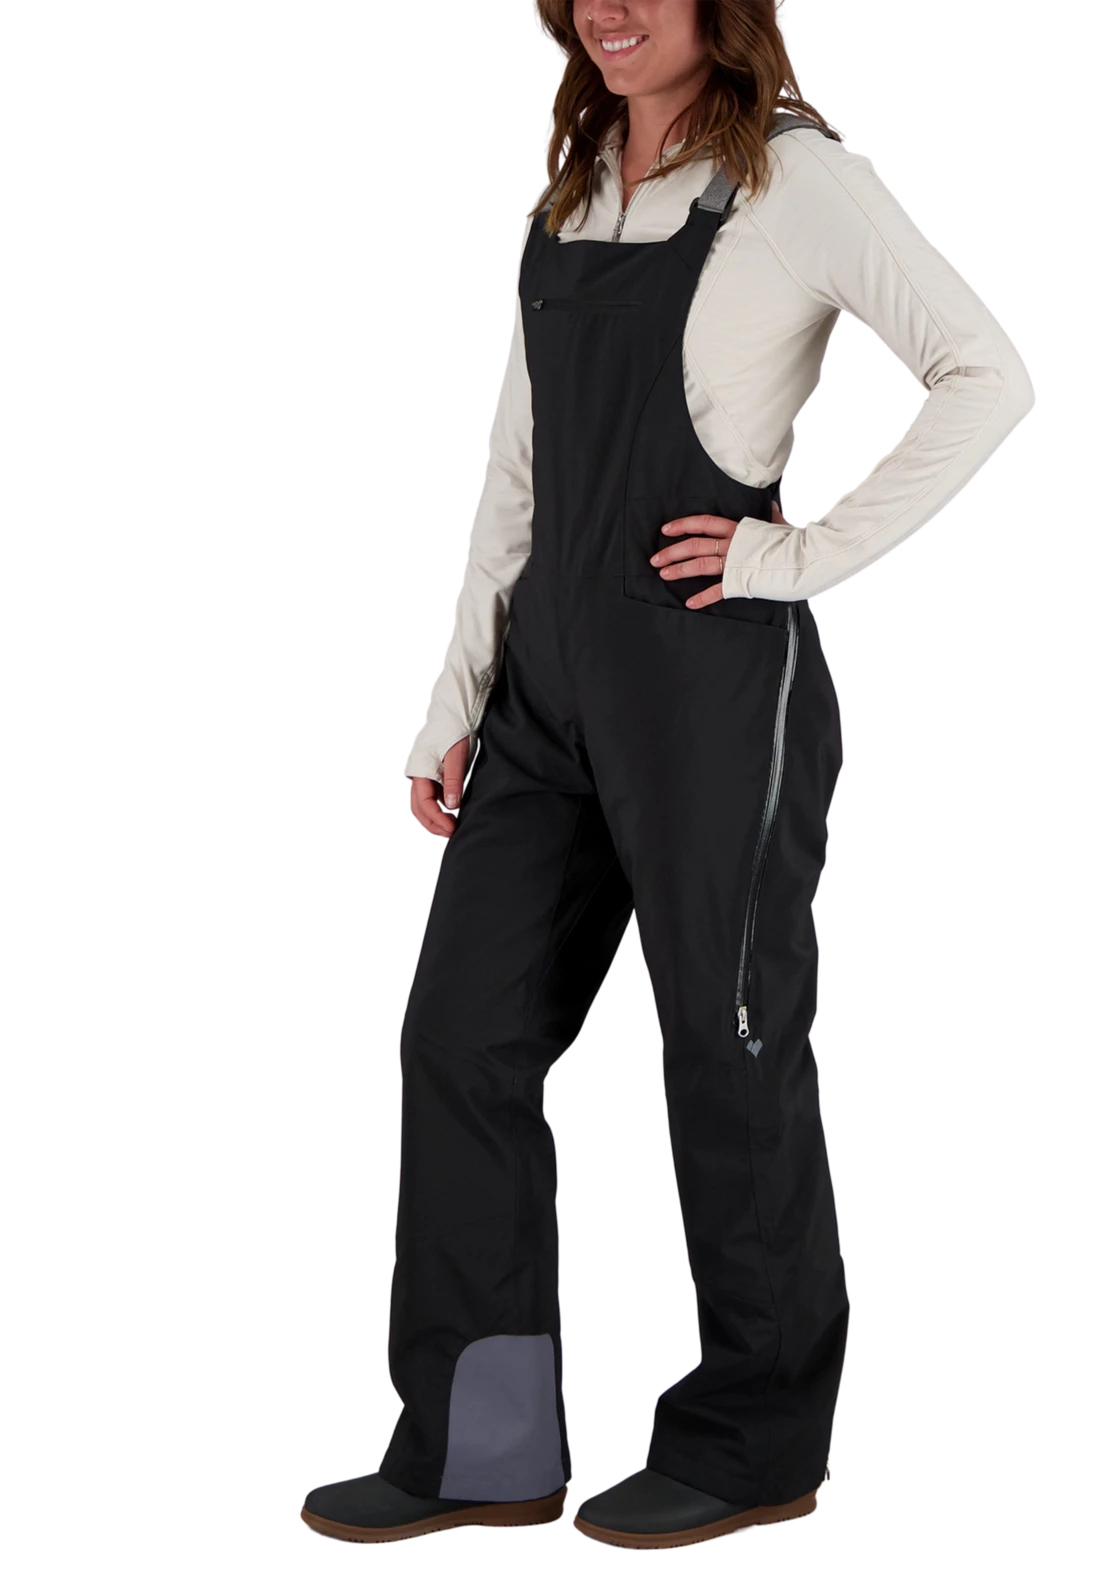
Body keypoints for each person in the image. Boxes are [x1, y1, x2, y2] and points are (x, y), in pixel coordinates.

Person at [301, 0, 1036, 1551]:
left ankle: (755, 1440)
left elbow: (987, 373)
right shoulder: (565, 194)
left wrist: (802, 553)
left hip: (708, 683)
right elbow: (515, 471)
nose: (610, 7)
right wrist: (455, 696)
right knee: (459, 1036)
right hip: (545, 688)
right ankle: (482, 1443)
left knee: (726, 1041)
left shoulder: (798, 180)